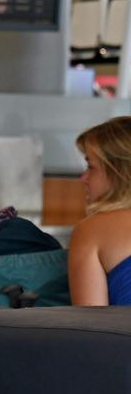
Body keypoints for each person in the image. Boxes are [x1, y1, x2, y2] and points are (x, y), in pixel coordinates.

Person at [70, 117, 131, 306]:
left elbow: (91, 328)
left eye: (90, 166)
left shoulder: (93, 229)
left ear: (119, 172)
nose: (84, 178)